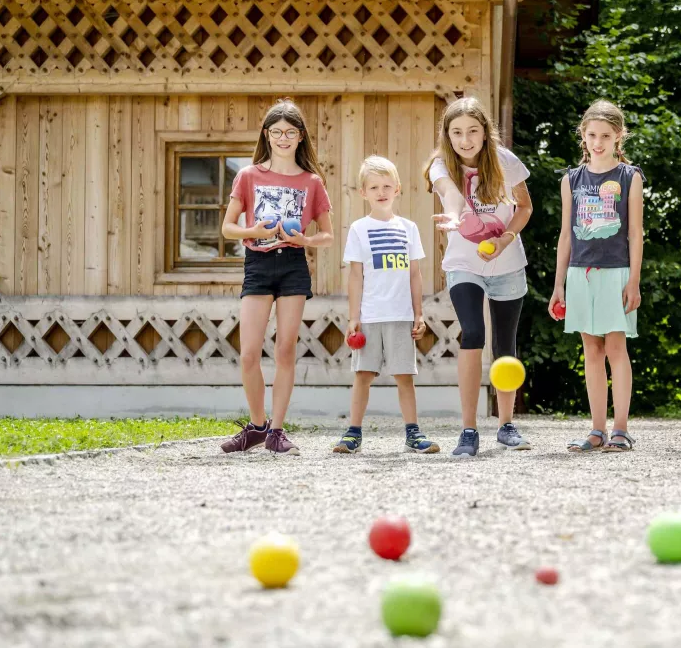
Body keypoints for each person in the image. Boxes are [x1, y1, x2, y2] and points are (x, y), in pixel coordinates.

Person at [219, 99, 334, 456]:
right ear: (266, 135)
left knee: (286, 350)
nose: (283, 138)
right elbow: (227, 228)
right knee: (249, 354)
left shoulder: (311, 181)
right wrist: (251, 229)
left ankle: (277, 432)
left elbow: (327, 234)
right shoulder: (249, 175)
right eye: (276, 132)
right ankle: (257, 426)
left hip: (293, 265)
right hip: (257, 263)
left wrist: (305, 240)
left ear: (301, 137)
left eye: (290, 132)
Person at [423, 97, 533, 458]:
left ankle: (506, 426)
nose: (465, 139)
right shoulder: (441, 165)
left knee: (505, 345)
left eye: (472, 131)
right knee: (472, 332)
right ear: (447, 135)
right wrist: (455, 217)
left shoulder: (505, 161)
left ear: (485, 133)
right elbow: (450, 194)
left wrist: (505, 238)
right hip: (464, 264)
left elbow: (525, 207)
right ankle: (468, 430)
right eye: (457, 132)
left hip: (507, 264)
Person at [550, 100, 646, 453]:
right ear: (583, 136)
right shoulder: (571, 179)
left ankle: (621, 429)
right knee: (591, 349)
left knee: (616, 348)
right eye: (592, 135)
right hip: (579, 274)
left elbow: (636, 233)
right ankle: (597, 430)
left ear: (619, 136)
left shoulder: (629, 176)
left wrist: (633, 280)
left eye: (605, 135)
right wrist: (558, 284)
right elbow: (565, 235)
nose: (598, 142)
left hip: (617, 272)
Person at [333, 156, 440, 454]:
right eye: (374, 187)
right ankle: (353, 433)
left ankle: (413, 434)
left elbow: (415, 274)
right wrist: (353, 317)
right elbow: (355, 276)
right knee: (363, 375)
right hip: (369, 316)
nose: (381, 192)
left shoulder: (409, 228)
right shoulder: (358, 228)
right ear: (363, 192)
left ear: (398, 189)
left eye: (387, 186)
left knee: (404, 377)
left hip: (402, 315)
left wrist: (419, 314)